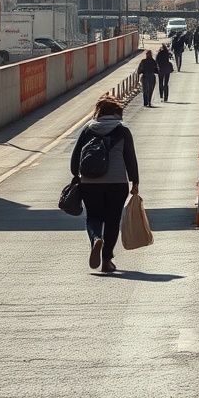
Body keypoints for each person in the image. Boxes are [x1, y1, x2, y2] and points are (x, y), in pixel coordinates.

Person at [71, 95, 140, 274]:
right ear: (117, 113)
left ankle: (96, 239)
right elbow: (130, 158)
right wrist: (135, 182)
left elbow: (75, 156)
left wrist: (76, 175)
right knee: (112, 220)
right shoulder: (123, 130)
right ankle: (107, 260)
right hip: (117, 182)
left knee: (93, 216)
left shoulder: (88, 129)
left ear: (99, 112)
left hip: (90, 183)